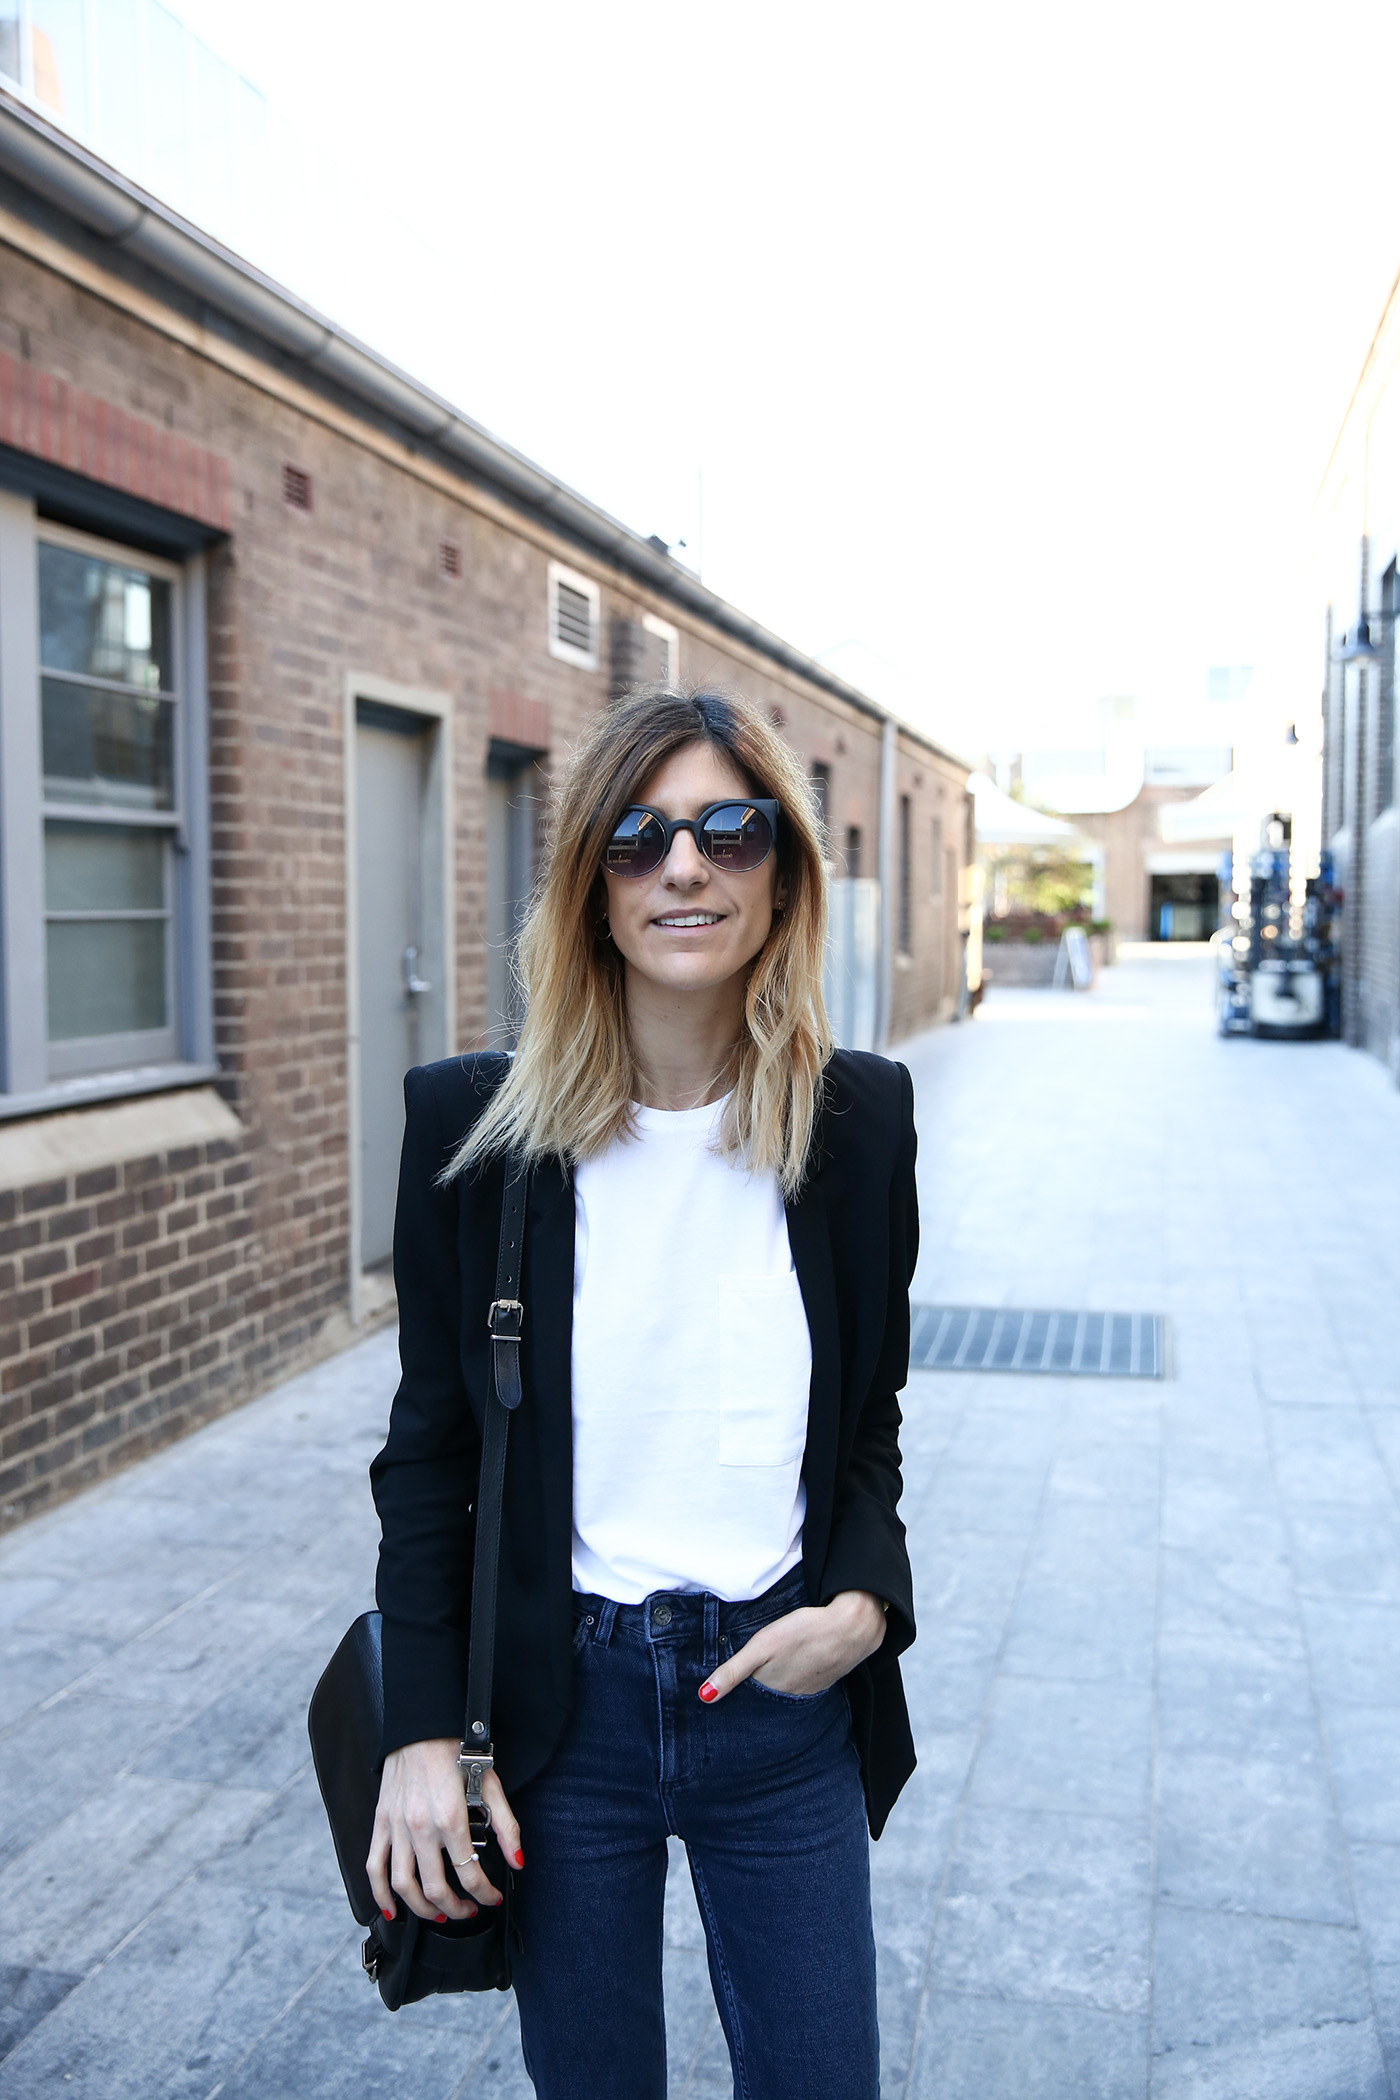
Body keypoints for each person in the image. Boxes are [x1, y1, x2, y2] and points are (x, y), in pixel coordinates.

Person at [367, 686, 919, 2099]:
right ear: (591, 887)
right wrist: (425, 1733)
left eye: (730, 831)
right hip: (566, 1715)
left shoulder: (859, 1125)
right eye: (638, 836)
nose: (686, 866)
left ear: (781, 873)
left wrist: (862, 1602)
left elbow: (866, 1426)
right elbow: (431, 1459)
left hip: (780, 1703)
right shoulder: (471, 1131)